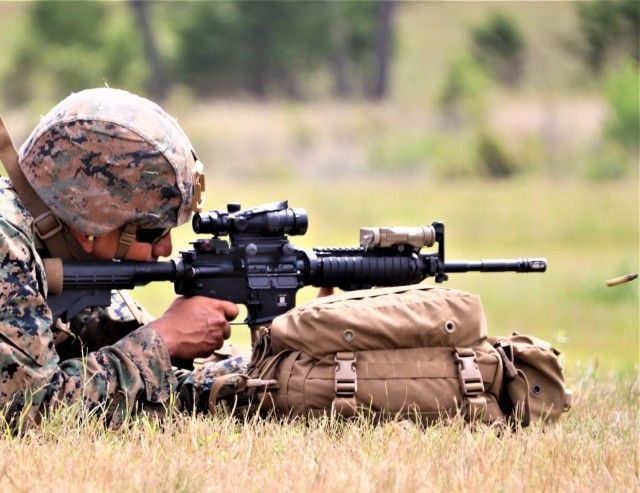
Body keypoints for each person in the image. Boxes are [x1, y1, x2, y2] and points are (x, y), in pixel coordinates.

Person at [0, 87, 245, 427]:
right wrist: (163, 339)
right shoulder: (6, 242)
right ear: (92, 225)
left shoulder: (62, 252)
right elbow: (29, 411)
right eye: (151, 232)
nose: (165, 249)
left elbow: (146, 381)